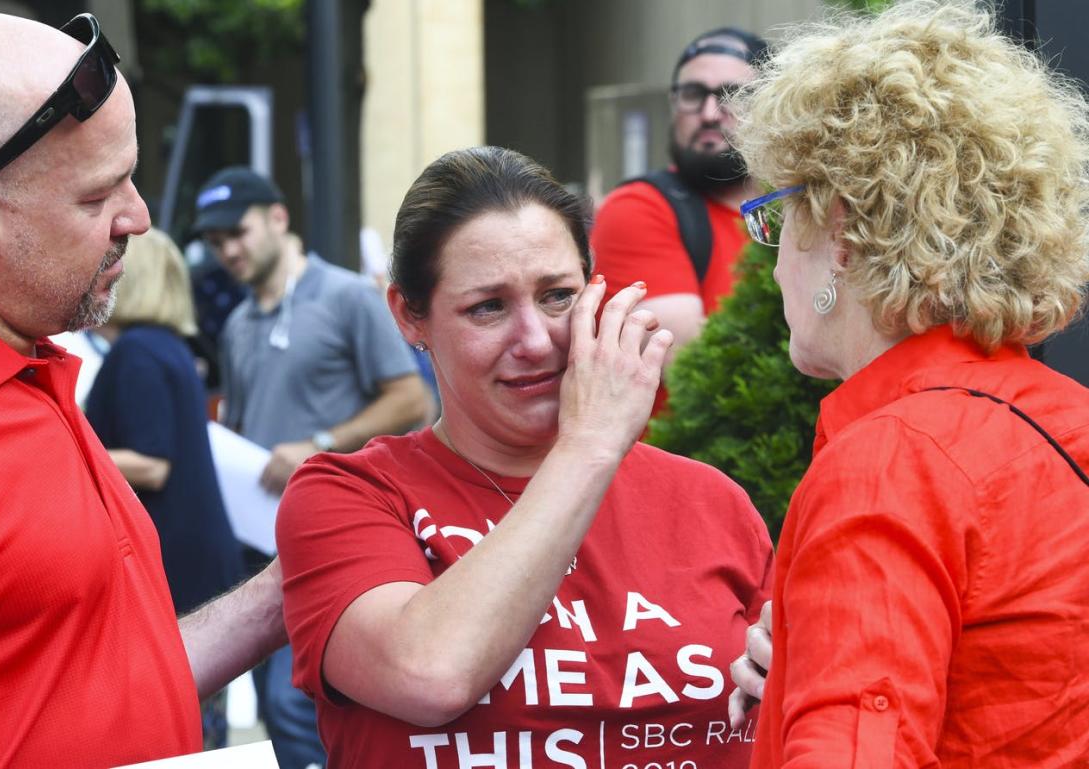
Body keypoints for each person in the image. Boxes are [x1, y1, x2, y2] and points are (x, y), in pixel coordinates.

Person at [0, 11, 285, 768]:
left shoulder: (23, 364)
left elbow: (91, 685)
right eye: (97, 196)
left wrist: (301, 575)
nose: (140, 217)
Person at [276, 146, 774, 768]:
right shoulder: (350, 494)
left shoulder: (709, 501)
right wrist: (590, 445)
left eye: (558, 296)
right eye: (488, 307)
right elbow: (430, 674)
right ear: (409, 315)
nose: (535, 341)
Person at [726, 1, 1089, 764]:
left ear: (840, 234)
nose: (774, 261)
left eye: (774, 218)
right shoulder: (1066, 419)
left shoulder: (890, 464)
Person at [197, 167, 428, 768]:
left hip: (350, 531)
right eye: (216, 242)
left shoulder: (348, 295)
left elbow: (411, 399)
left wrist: (321, 442)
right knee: (283, 706)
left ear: (278, 218)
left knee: (296, 701)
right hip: (265, 535)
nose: (228, 251)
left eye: (236, 233)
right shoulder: (242, 321)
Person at [85, 227, 247, 749]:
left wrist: (64, 451)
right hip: (202, 560)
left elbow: (152, 464)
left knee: (181, 727)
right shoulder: (169, 348)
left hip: (173, 566)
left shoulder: (136, 352)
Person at [591, 27, 767, 414]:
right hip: (681, 456)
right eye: (692, 95)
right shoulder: (638, 208)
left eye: (731, 96)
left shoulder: (795, 210)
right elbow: (693, 368)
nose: (708, 113)